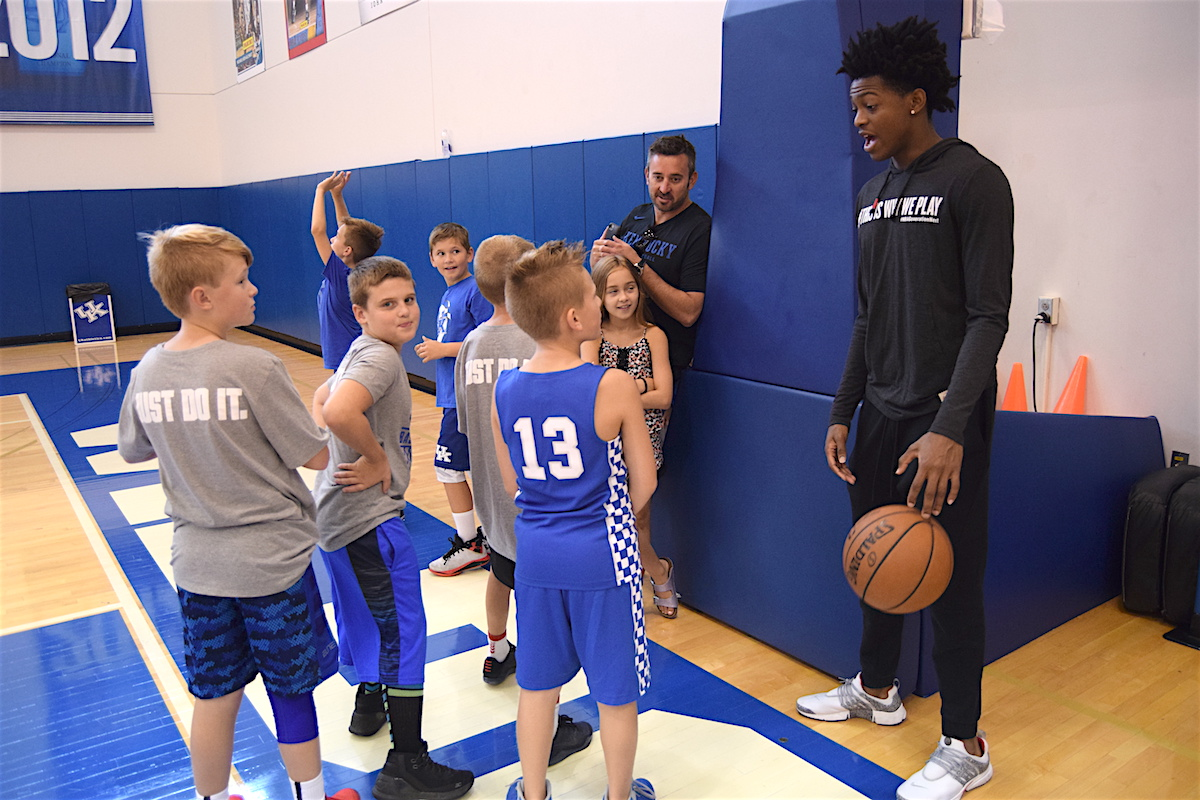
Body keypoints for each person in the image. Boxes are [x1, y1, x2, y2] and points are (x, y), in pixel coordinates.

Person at [793, 17, 1013, 800]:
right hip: (880, 411)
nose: (859, 122)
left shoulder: (974, 180)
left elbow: (990, 316)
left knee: (951, 581)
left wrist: (950, 429)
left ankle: (966, 743)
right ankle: (878, 687)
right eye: (854, 108)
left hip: (943, 420)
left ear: (917, 101)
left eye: (869, 105)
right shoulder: (871, 194)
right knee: (876, 558)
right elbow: (866, 314)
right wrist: (841, 410)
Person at [116, 224, 358, 800]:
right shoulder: (254, 366)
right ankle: (310, 794)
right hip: (272, 564)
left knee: (214, 694)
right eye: (242, 281)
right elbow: (316, 452)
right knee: (289, 690)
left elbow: (133, 447)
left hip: (198, 566)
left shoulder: (148, 368)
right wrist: (331, 405)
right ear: (203, 297)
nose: (253, 290)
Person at [492, 242, 658, 800]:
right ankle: (618, 795)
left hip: (535, 554)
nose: (599, 300)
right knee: (615, 692)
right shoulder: (609, 384)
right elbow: (647, 481)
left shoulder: (506, 388)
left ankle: (533, 792)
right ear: (574, 317)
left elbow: (513, 482)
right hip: (602, 556)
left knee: (537, 687)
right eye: (593, 293)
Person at [311, 256, 475, 800]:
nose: (404, 311)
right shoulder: (380, 360)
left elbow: (322, 400)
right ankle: (406, 761)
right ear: (360, 312)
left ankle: (368, 701)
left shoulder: (361, 351)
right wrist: (377, 457)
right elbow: (336, 414)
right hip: (368, 518)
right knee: (403, 633)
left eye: (408, 299)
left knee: (364, 620)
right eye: (387, 304)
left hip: (336, 518)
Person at [452, 235, 593, 764]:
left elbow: (467, 425)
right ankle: (550, 725)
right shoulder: (542, 347)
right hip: (541, 512)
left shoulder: (470, 344)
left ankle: (494, 650)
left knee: (499, 574)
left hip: (493, 502)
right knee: (542, 621)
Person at [582, 255, 677, 619]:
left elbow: (664, 397)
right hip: (604, 443)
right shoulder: (594, 337)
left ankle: (655, 575)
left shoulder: (654, 336)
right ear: (599, 297)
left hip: (642, 443)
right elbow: (589, 392)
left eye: (630, 288)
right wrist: (641, 384)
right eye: (613, 291)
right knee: (610, 524)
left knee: (637, 525)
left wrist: (624, 392)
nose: (623, 298)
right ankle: (651, 577)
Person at [591, 134, 711, 383]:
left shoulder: (700, 229)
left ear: (692, 180)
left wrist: (637, 264)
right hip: (615, 351)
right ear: (647, 175)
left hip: (661, 363)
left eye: (675, 179)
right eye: (658, 177)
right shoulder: (638, 215)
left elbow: (689, 312)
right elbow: (609, 283)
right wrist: (598, 265)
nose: (664, 188)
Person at [415, 223, 493, 576]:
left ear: (470, 254)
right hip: (452, 396)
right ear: (431, 259)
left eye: (455, 251)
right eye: (441, 253)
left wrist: (441, 348)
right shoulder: (451, 294)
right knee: (465, 468)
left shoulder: (474, 290)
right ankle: (484, 538)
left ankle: (472, 542)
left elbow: (487, 340)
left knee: (448, 467)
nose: (449, 258)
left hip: (468, 395)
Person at [310, 170, 385, 369]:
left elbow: (317, 231)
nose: (332, 239)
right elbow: (347, 230)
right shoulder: (355, 270)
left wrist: (320, 190)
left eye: (335, 237)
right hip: (354, 355)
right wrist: (337, 195)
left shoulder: (341, 276)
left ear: (347, 251)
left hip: (347, 357)